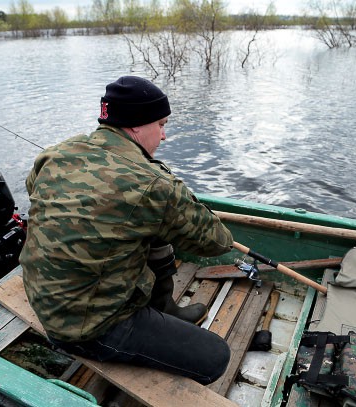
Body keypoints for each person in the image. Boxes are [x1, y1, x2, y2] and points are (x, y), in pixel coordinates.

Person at [19, 76, 234, 384]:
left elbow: (33, 189)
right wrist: (174, 193)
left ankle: (164, 309)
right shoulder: (153, 184)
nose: (164, 136)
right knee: (216, 357)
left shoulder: (55, 154)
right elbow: (218, 241)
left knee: (146, 230)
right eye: (161, 124)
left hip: (42, 298)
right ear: (136, 125)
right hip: (87, 329)